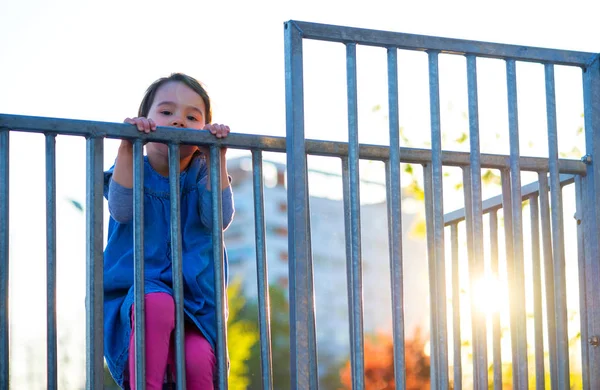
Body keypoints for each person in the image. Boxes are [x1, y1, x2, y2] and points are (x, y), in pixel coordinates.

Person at [103, 73, 234, 390]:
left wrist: (217, 156)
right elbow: (121, 209)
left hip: (195, 302)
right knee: (158, 305)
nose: (179, 121)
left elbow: (219, 218)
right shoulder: (133, 165)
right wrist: (126, 145)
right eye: (166, 112)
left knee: (199, 357)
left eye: (192, 117)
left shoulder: (202, 173)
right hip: (138, 294)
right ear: (145, 120)